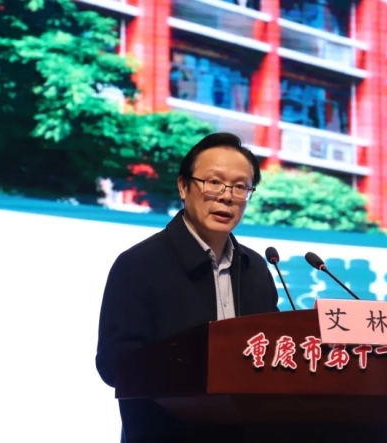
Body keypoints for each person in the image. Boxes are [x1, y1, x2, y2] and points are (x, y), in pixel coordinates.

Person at [95, 132, 280, 442]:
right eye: (214, 182)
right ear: (183, 186)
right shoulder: (138, 264)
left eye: (240, 187)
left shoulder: (255, 268)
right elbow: (114, 365)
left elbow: (271, 355)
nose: (227, 196)